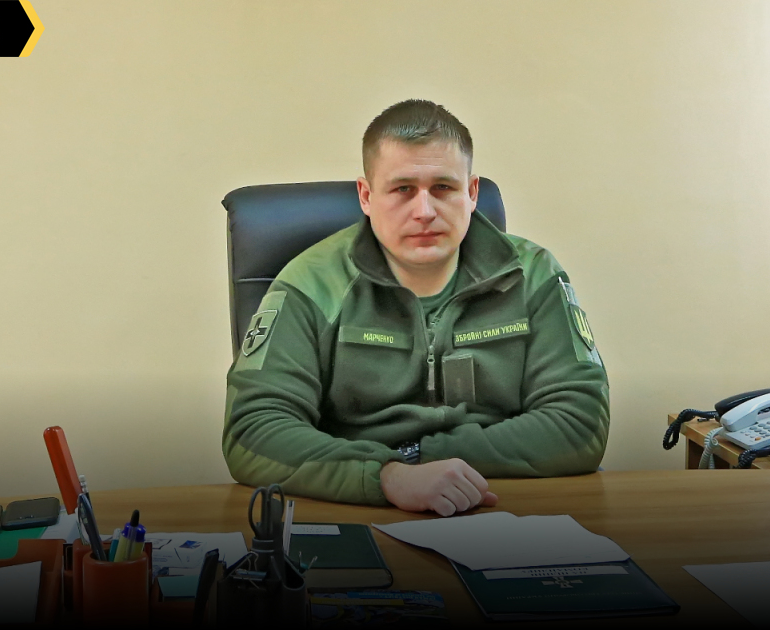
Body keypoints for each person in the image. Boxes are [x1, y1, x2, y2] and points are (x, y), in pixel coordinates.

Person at [223, 100, 609, 516]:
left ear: (471, 193)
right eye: (403, 189)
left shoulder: (532, 274)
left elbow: (580, 423)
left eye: (443, 188)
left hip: (498, 503)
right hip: (358, 505)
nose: (424, 212)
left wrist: (418, 459)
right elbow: (254, 430)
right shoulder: (311, 283)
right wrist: (387, 477)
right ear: (366, 196)